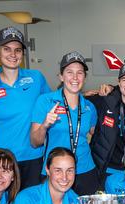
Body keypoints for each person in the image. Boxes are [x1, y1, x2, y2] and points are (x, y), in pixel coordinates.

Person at [0, 27, 51, 190]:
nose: (13, 54)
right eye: (6, 49)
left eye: (18, 50)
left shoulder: (36, 78)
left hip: (33, 156)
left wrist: (81, 95)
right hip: (1, 160)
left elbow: (53, 103)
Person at [30, 52, 99, 196]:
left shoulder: (89, 107)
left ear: (84, 78)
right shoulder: (45, 101)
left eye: (79, 73)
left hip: (85, 170)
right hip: (56, 171)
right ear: (61, 76)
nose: (75, 77)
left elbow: (97, 133)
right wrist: (45, 125)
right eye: (69, 72)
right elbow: (35, 142)